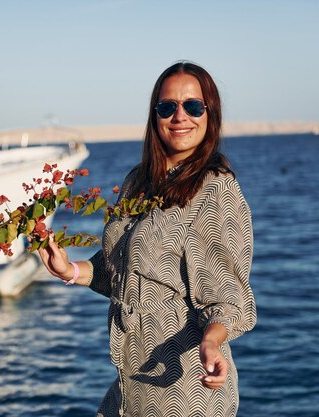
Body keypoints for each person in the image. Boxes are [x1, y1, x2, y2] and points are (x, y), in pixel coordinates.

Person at [38, 62, 256, 417]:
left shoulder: (216, 188)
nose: (179, 116)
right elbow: (124, 274)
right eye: (167, 107)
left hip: (184, 389)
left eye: (193, 106)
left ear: (210, 114)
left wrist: (213, 342)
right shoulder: (138, 181)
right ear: (155, 116)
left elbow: (227, 297)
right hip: (131, 384)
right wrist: (70, 270)